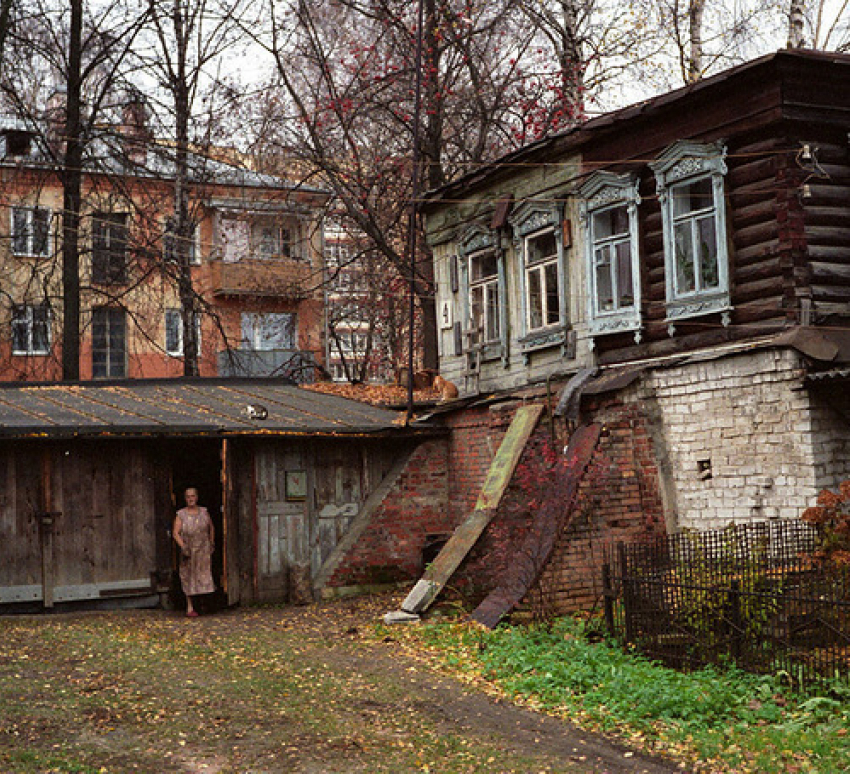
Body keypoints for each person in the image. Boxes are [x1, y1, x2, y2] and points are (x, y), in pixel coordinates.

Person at [173, 487, 216, 617]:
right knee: (188, 577)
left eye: (192, 496)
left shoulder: (204, 512)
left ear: (197, 497)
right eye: (188, 497)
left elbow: (211, 528)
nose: (190, 499)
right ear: (185, 499)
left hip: (203, 550)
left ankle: (203, 604)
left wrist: (211, 543)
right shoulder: (181, 514)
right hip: (189, 551)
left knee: (203, 576)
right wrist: (183, 546)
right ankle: (190, 607)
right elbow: (175, 533)